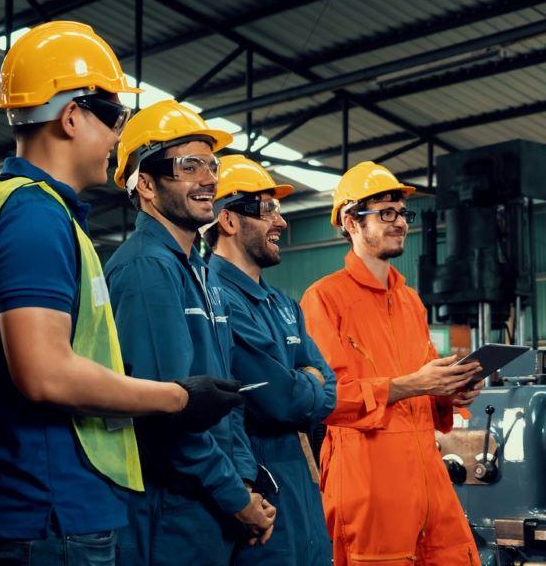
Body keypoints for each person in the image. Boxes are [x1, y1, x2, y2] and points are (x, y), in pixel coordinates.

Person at [0, 21, 243, 566]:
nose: (115, 139)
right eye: (113, 120)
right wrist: (179, 397)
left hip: (39, 503)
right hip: (50, 507)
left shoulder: (13, 208)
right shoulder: (35, 217)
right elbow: (45, 373)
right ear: (70, 116)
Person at [106, 101, 277, 566]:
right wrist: (237, 499)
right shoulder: (147, 269)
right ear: (144, 183)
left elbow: (226, 398)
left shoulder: (198, 270)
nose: (208, 179)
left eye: (211, 165)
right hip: (170, 512)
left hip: (210, 504)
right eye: (189, 165)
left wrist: (243, 482)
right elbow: (169, 416)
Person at [300, 161, 484, 565]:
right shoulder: (323, 299)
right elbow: (329, 400)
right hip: (369, 483)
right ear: (351, 222)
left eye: (401, 213)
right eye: (385, 213)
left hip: (428, 479)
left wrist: (453, 390)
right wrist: (413, 385)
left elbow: (426, 383)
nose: (399, 222)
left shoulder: (410, 300)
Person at [204, 155, 336, 565]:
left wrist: (306, 384)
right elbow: (281, 400)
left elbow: (328, 389)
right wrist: (304, 382)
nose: (280, 222)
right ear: (227, 220)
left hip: (302, 485)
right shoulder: (216, 297)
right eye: (266, 210)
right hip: (261, 487)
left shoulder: (283, 304)